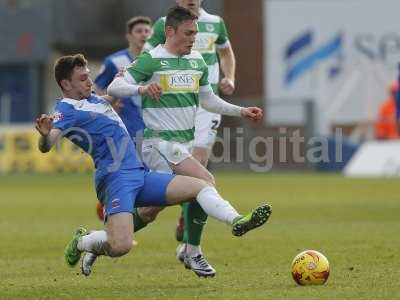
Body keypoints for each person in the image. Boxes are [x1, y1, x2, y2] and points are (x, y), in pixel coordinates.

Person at [35, 54, 271, 277]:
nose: (90, 81)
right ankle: (83, 241)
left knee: (200, 186)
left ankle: (236, 220)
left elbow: (111, 97)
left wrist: (124, 78)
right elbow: (49, 142)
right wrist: (45, 136)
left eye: (89, 75)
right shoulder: (65, 110)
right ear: (66, 84)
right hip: (116, 180)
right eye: (83, 78)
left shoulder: (93, 99)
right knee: (121, 246)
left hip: (140, 174)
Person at [107, 6, 262, 277]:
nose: (194, 38)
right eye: (189, 33)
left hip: (182, 145)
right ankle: (233, 222)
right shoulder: (152, 59)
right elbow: (114, 87)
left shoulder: (197, 62)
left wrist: (241, 111)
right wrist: (141, 88)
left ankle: (94, 241)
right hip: (159, 144)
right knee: (204, 181)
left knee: (149, 211)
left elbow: (208, 100)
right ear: (170, 31)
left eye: (196, 32)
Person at [146, 0, 236, 255]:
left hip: (207, 104)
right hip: (177, 103)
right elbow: (146, 55)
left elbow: (226, 53)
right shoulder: (165, 25)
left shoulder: (216, 23)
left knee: (199, 165)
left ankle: (189, 241)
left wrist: (229, 77)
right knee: (171, 187)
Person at [93, 16, 152, 222]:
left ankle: (118, 216)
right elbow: (95, 91)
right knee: (128, 176)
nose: (144, 34)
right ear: (128, 36)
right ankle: (113, 215)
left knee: (151, 175)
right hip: (124, 131)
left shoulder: (155, 59)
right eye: (139, 31)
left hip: (152, 128)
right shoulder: (114, 62)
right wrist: (108, 101)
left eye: (147, 31)